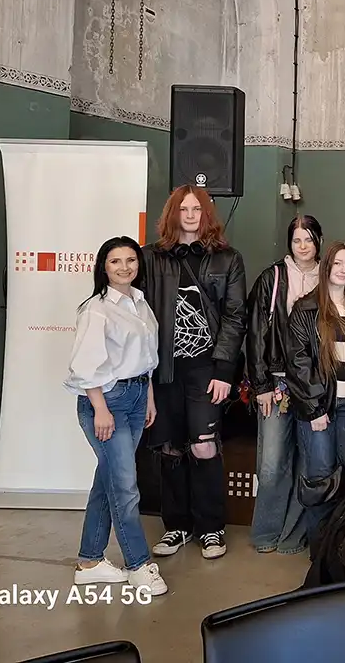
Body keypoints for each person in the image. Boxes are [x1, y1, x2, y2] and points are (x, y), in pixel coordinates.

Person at [141, 185, 247, 561]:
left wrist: (224, 370)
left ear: (206, 214)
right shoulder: (150, 258)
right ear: (172, 213)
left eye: (196, 209)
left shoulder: (227, 259)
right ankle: (177, 526)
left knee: (204, 446)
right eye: (183, 209)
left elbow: (235, 316)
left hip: (206, 367)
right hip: (165, 368)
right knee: (170, 447)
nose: (189, 215)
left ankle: (211, 528)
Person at [65, 236, 167, 595]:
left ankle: (90, 561)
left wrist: (148, 398)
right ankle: (138, 564)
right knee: (124, 486)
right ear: (103, 268)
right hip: (107, 401)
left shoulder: (140, 303)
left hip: (137, 396)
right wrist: (100, 410)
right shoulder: (96, 310)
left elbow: (146, 358)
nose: (124, 267)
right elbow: (85, 367)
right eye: (115, 261)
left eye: (130, 260)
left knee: (108, 479)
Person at [285, 241, 345, 543]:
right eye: (338, 263)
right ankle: (319, 547)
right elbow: (298, 362)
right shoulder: (306, 308)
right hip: (320, 407)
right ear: (327, 266)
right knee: (320, 477)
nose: (343, 270)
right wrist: (315, 408)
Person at [245, 215, 324, 554]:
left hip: (315, 386)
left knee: (310, 463)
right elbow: (256, 333)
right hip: (277, 384)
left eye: (309, 239)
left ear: (319, 241)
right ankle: (266, 533)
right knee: (272, 463)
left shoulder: (331, 275)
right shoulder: (273, 277)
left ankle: (293, 535)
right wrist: (261, 384)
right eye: (297, 240)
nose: (303, 246)